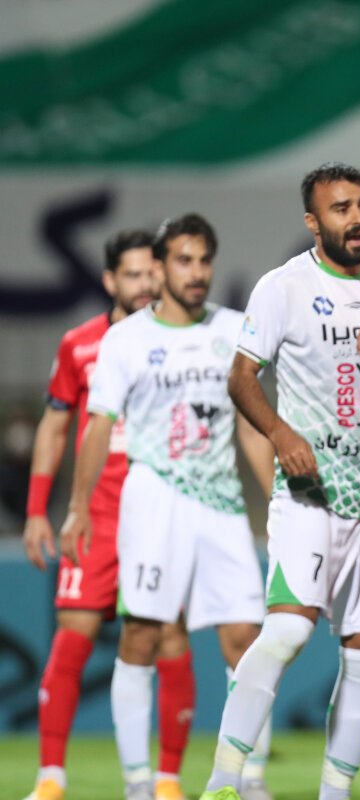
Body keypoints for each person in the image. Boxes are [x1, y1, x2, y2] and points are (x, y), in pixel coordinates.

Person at [58, 214, 274, 800]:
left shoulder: (234, 328)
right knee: (143, 635)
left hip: (221, 503)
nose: (197, 272)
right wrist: (78, 506)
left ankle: (248, 777)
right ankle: (138, 782)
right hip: (153, 501)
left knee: (247, 639)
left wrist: (278, 498)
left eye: (204, 260)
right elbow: (98, 426)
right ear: (159, 268)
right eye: (184, 260)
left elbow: (252, 425)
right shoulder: (126, 340)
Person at [200, 164, 360, 800]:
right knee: (286, 631)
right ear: (313, 222)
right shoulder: (284, 287)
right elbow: (241, 377)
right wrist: (281, 435)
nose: (357, 218)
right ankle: (224, 782)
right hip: (313, 497)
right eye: (341, 208)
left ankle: (334, 793)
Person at [20, 230, 199, 800]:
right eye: (133, 274)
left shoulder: (182, 340)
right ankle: (51, 777)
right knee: (73, 637)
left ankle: (166, 781)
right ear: (108, 280)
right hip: (96, 516)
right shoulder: (78, 345)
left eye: (152, 272)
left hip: (159, 515)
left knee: (168, 638)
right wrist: (37, 510)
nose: (145, 284)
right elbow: (54, 427)